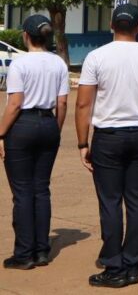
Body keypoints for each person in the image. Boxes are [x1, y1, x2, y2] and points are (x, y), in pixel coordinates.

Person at [75, 4, 138, 287]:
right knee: (137, 200)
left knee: (110, 202)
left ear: (112, 26)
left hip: (109, 136)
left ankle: (113, 264)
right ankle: (133, 263)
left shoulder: (96, 57)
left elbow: (84, 103)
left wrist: (82, 142)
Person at [0, 15, 68, 270]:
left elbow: (15, 103)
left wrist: (1, 133)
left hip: (24, 125)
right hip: (48, 122)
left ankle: (24, 252)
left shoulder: (21, 64)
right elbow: (62, 102)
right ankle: (41, 250)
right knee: (41, 188)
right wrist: (56, 129)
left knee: (23, 192)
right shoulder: (59, 64)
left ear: (26, 36)